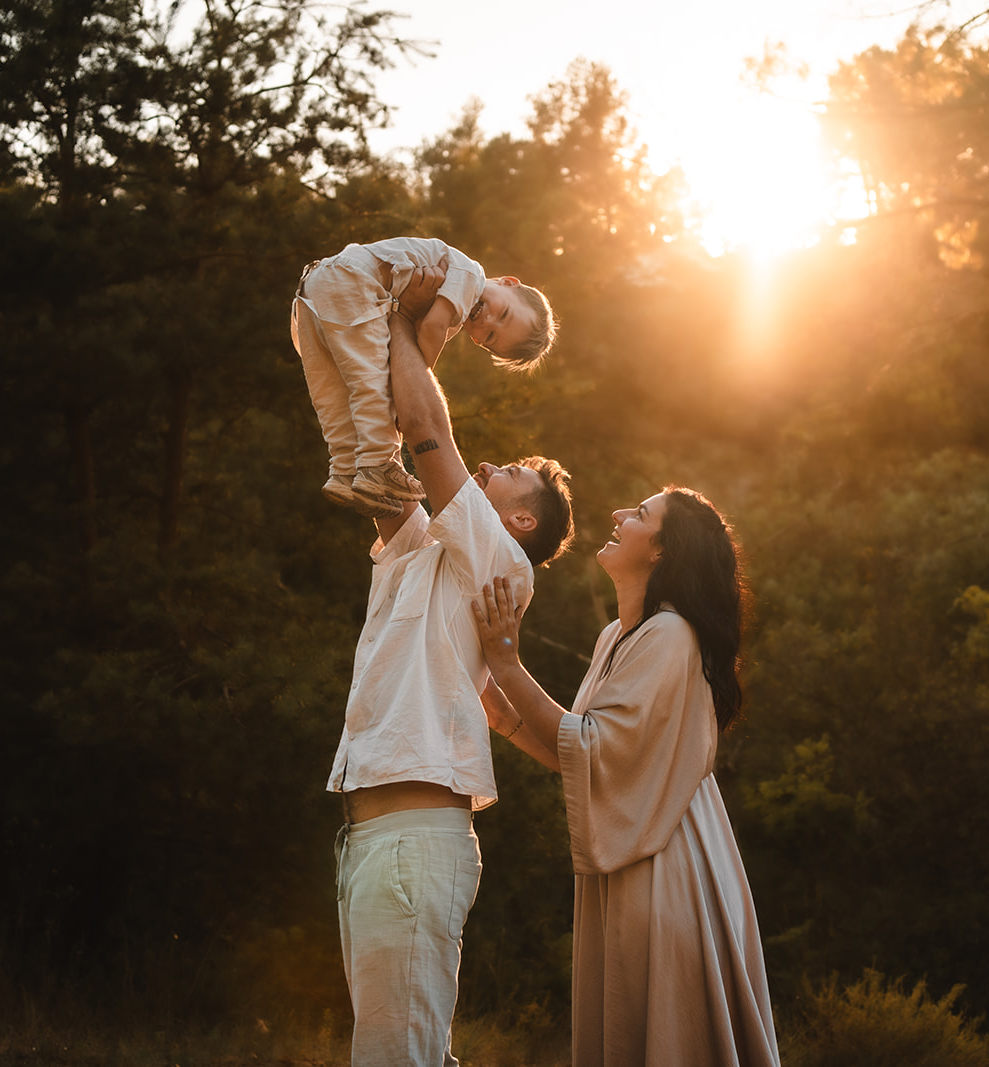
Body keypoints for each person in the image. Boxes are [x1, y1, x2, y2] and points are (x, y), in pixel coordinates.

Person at [327, 263, 574, 1067]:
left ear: (521, 516)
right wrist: (363, 336)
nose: (489, 468)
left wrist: (404, 325)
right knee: (406, 1050)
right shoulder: (431, 547)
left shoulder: (504, 564)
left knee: (397, 1058)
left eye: (507, 476)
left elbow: (430, 432)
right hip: (374, 838)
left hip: (412, 838)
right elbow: (394, 456)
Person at [472, 487, 782, 1066]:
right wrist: (504, 716)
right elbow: (596, 761)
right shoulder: (616, 636)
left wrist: (508, 663)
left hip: (667, 864)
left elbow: (591, 746)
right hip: (634, 854)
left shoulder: (672, 635)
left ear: (663, 551)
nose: (618, 515)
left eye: (639, 515)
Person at [290, 236, 557, 519]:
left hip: (315, 291)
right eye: (504, 313)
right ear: (508, 282)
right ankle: (377, 463)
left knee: (334, 394)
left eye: (491, 336)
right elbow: (430, 328)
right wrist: (418, 378)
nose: (488, 321)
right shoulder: (469, 275)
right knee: (372, 384)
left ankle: (344, 468)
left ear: (479, 342)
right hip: (354, 282)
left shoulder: (459, 301)